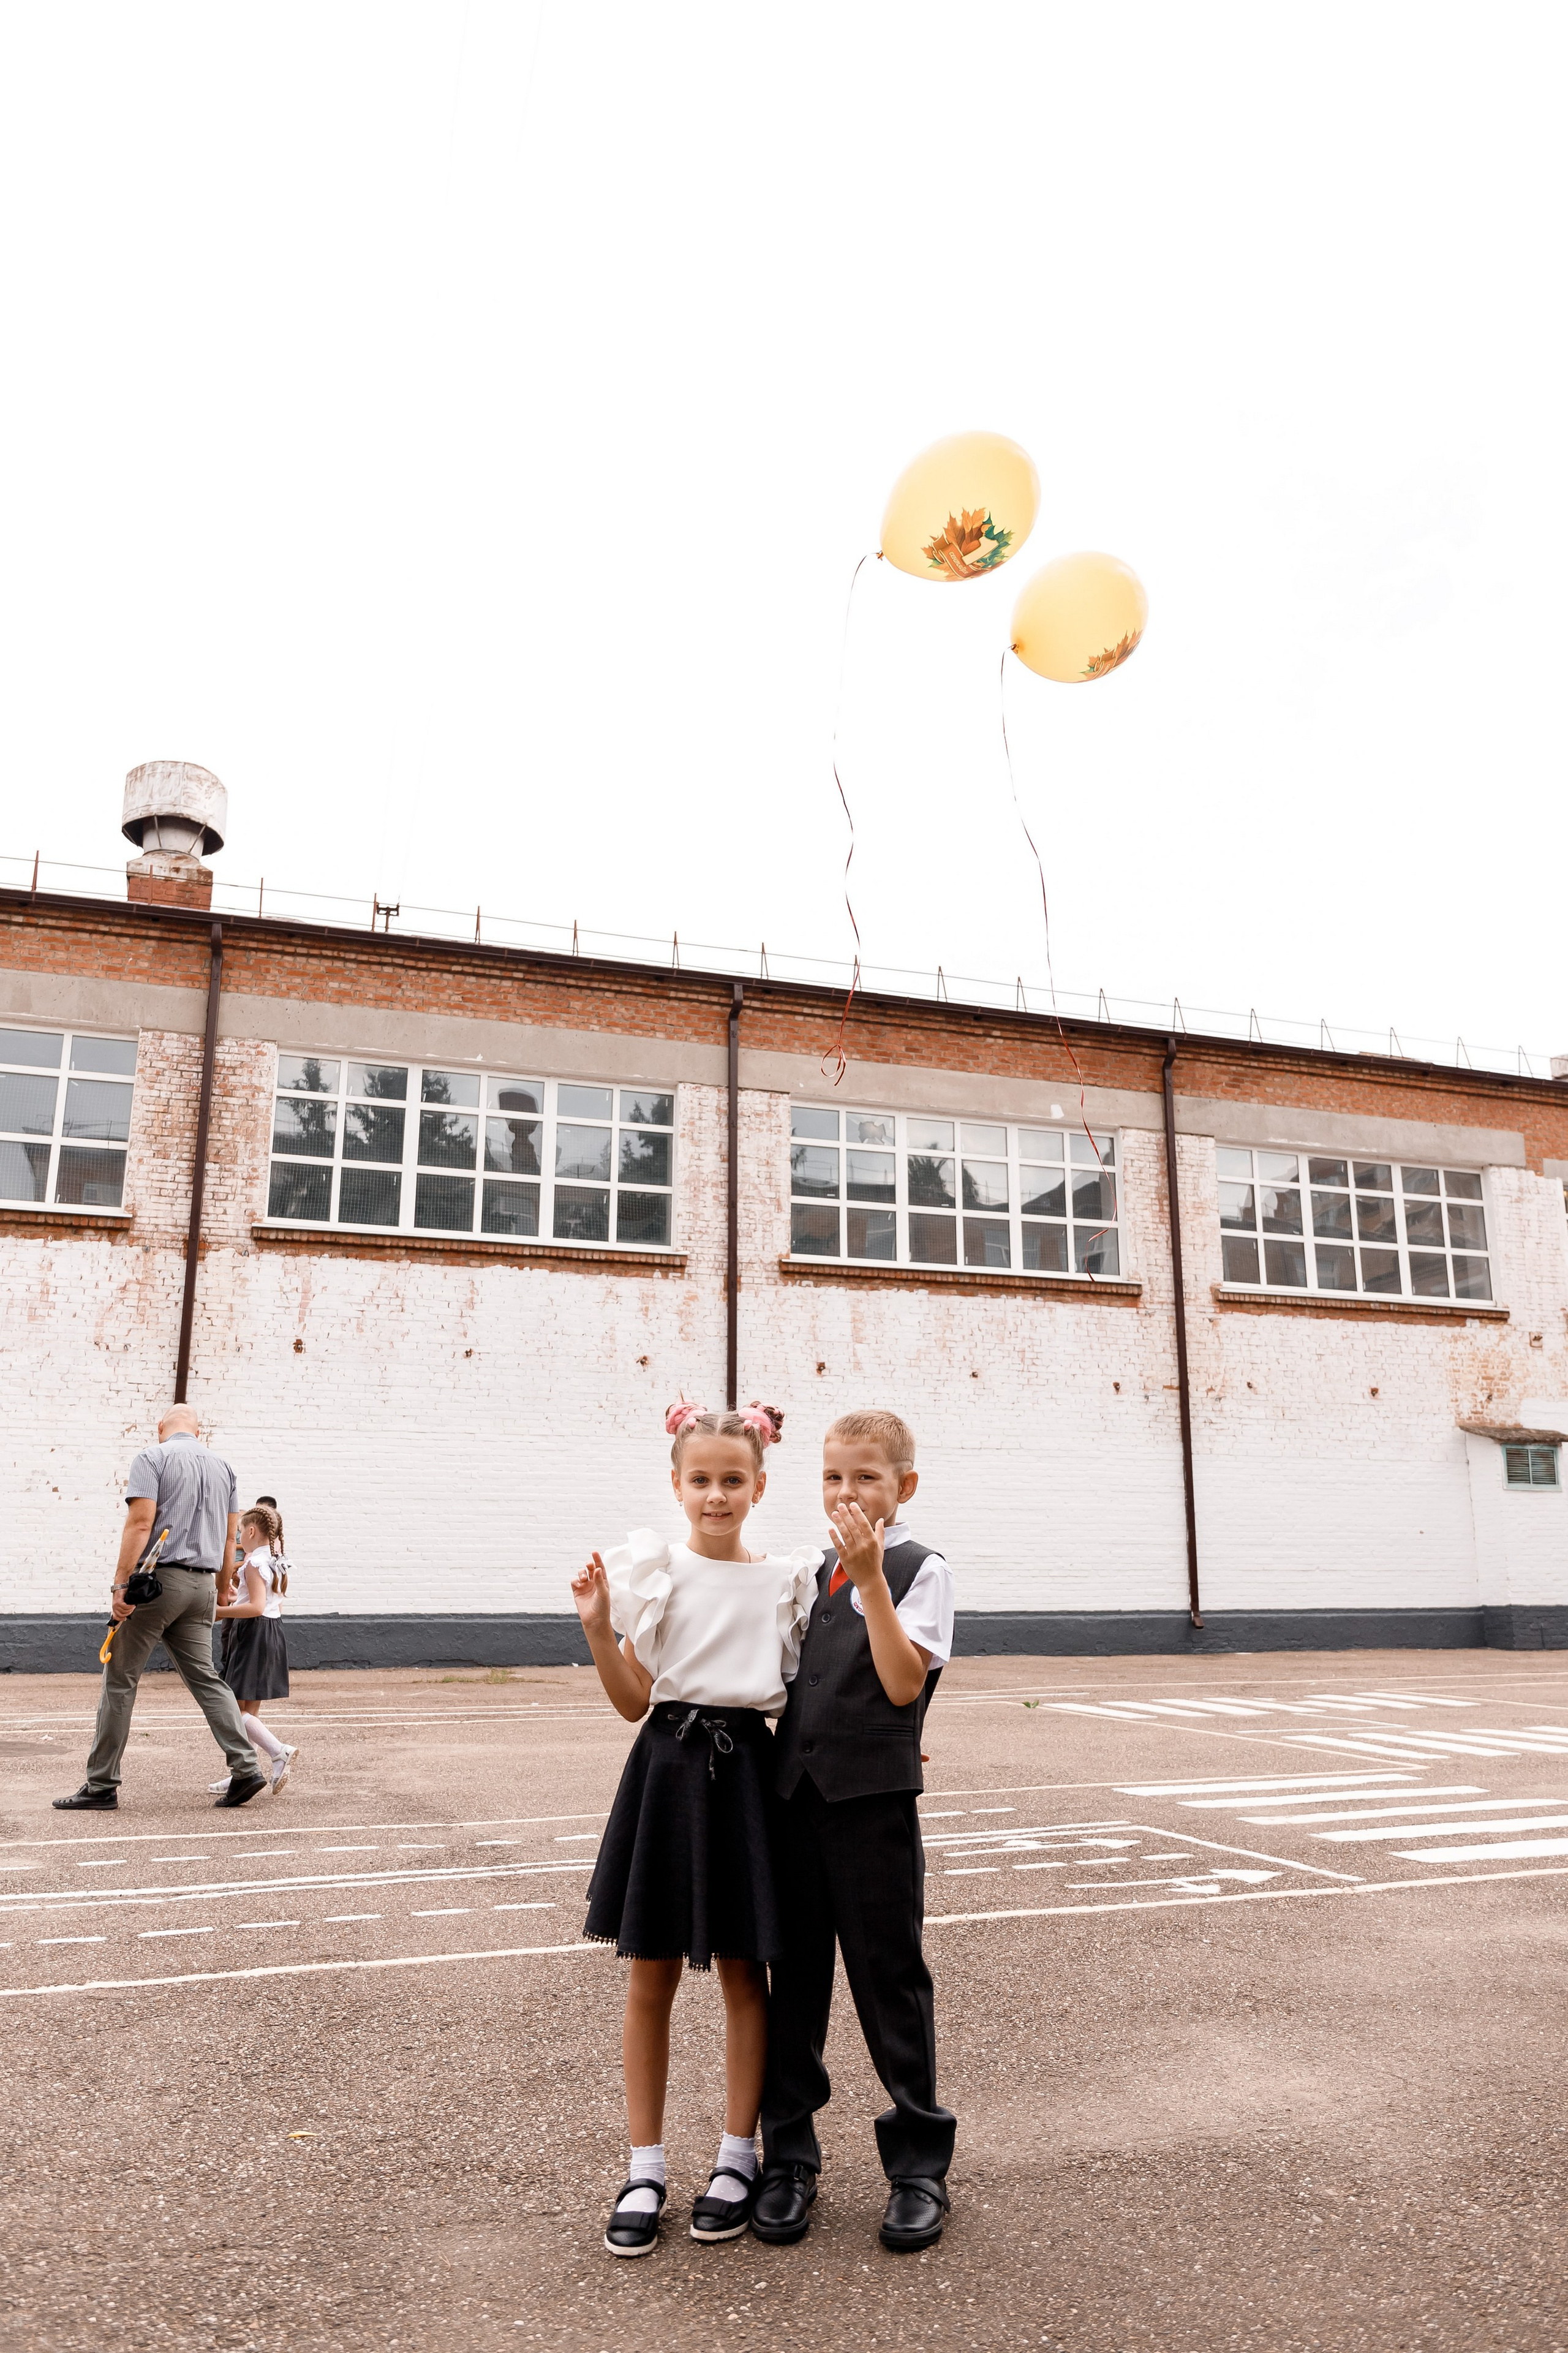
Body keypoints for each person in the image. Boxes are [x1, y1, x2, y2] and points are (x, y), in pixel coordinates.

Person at [569, 1400, 819, 2259]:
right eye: (701, 1479)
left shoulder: (788, 1582)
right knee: (652, 1976)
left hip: (750, 1777)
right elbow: (635, 1699)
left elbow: (810, 1700)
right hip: (668, 1772)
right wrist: (601, 1629)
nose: (717, 1495)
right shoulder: (655, 1573)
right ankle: (645, 2167)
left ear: (759, 1485)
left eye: (732, 1480)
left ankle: (737, 2159)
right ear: (676, 1485)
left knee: (748, 1975)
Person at [753, 1408, 957, 2254]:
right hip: (794, 1800)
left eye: (867, 1477)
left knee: (889, 1981)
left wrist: (872, 1580)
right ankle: (788, 2158)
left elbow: (904, 1683)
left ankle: (918, 2167)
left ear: (903, 1486)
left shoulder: (918, 1568)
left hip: (872, 1807)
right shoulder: (807, 1570)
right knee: (792, 1984)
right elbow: (783, 1677)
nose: (848, 1492)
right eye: (834, 1477)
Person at [53, 1405, 267, 1812]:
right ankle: (246, 1768)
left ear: (161, 1428)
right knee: (206, 1678)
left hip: (159, 1584)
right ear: (199, 1431)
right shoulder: (225, 1469)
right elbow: (228, 1540)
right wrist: (222, 1590)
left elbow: (140, 1523)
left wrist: (121, 1584)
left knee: (120, 1679)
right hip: (203, 1584)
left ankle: (101, 1785)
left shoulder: (153, 1457)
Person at [211, 1503, 298, 1796]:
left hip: (253, 1633)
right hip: (271, 1632)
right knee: (250, 1711)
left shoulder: (253, 1563)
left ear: (251, 1531)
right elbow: (269, 1602)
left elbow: (256, 1607)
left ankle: (279, 1751)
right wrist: (238, 1599)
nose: (238, 1541)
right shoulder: (275, 1559)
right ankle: (243, 1771)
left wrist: (220, 1611)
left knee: (233, 1712)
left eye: (239, 1535)